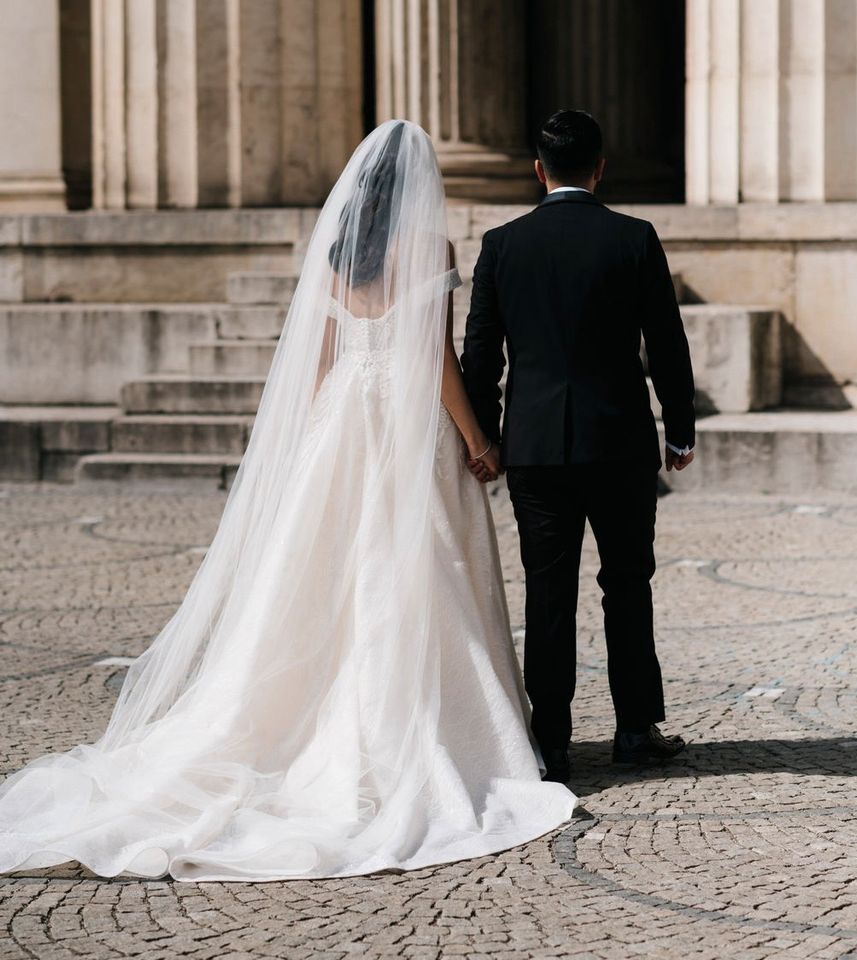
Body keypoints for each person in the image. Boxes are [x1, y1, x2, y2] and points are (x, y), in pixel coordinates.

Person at [0, 120, 576, 882]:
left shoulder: (338, 255)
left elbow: (324, 358)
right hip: (403, 419)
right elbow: (434, 357)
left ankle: (299, 718)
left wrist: (308, 444)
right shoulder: (427, 252)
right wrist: (475, 436)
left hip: (343, 417)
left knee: (327, 571)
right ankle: (432, 729)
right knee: (417, 566)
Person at [461, 110, 696, 785]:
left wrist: (488, 436)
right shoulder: (634, 238)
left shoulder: (502, 245)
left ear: (539, 170)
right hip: (619, 441)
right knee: (628, 583)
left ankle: (553, 740)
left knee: (547, 590)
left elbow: (481, 356)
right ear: (600, 168)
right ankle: (632, 729)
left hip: (535, 449)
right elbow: (666, 343)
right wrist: (677, 426)